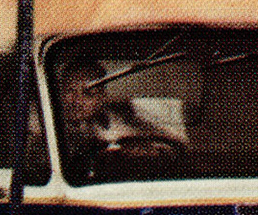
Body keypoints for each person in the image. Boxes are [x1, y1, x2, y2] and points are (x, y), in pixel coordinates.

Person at [58, 60, 187, 183]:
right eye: (70, 91)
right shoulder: (47, 124)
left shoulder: (119, 120)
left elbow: (161, 140)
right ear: (59, 91)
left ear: (102, 98)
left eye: (88, 94)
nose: (76, 101)